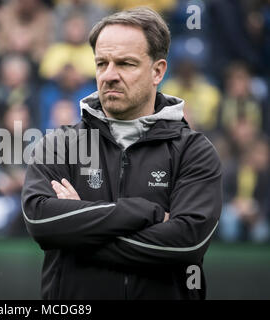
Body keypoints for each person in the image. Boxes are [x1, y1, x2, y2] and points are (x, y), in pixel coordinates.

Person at [21, 7, 222, 300]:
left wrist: (78, 230)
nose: (109, 75)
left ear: (158, 71)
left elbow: (186, 245)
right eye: (102, 63)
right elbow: (41, 221)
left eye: (125, 64)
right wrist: (146, 212)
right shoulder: (60, 144)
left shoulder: (194, 151)